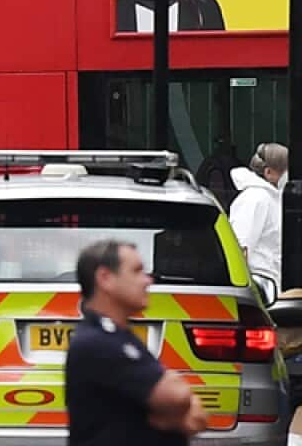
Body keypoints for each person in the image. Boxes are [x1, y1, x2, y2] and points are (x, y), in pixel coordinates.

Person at [66, 240, 207, 445]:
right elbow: (178, 395)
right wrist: (175, 407)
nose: (148, 280)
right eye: (137, 271)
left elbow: (194, 414)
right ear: (105, 278)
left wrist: (171, 409)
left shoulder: (122, 337)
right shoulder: (99, 342)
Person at [228, 142, 288, 289]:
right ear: (268, 173)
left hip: (270, 284)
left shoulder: (271, 198)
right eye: (285, 171)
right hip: (260, 286)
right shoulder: (255, 199)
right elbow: (240, 247)